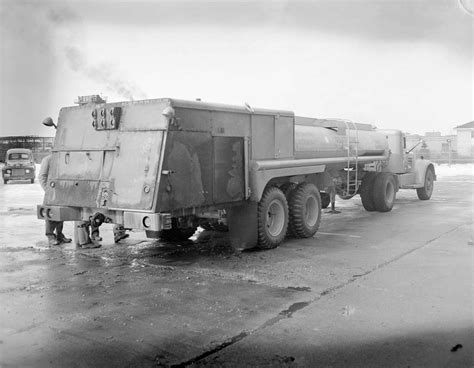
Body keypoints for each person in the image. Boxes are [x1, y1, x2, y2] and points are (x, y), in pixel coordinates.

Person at [39, 154, 72, 246]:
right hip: (51, 193)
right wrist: (48, 190)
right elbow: (42, 177)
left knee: (60, 214)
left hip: (61, 192)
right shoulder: (47, 160)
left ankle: (59, 235)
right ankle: (50, 236)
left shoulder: (64, 159)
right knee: (50, 214)